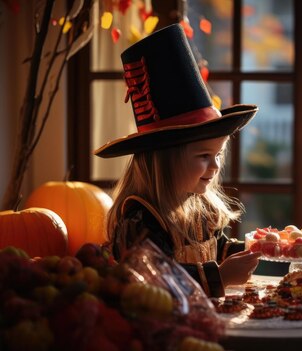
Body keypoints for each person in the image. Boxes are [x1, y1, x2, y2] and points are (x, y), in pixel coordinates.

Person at [94, 24, 262, 297]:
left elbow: (215, 247)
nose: (216, 166)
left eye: (217, 155)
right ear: (165, 160)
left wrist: (257, 247)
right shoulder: (140, 219)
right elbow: (152, 280)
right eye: (204, 156)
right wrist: (219, 277)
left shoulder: (198, 206)